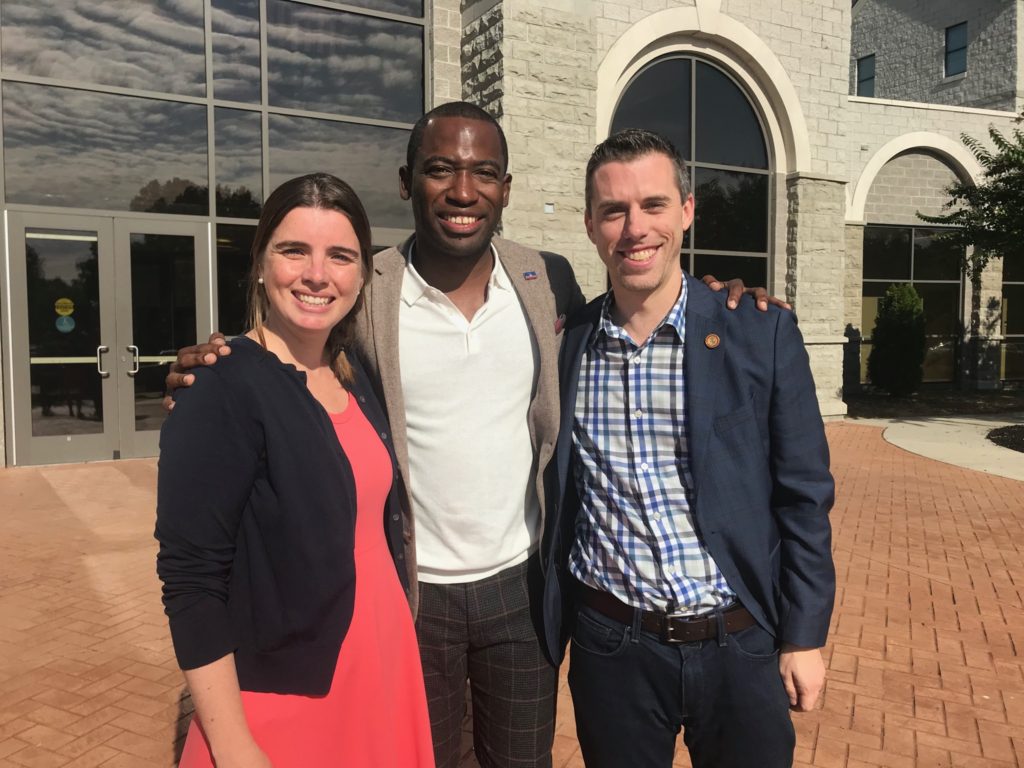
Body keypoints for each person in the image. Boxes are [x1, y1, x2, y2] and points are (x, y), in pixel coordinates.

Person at [165, 103, 778, 768]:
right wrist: (216, 361)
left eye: (484, 172)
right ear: (407, 183)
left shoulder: (546, 280)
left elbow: (641, 298)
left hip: (520, 590)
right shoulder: (366, 287)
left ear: (506, 189)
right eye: (440, 170)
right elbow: (295, 333)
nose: (463, 191)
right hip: (412, 596)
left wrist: (719, 293)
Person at [540, 129, 835, 768]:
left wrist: (804, 635)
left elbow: (804, 496)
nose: (634, 228)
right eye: (614, 211)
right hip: (612, 646)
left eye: (653, 205)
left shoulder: (760, 330)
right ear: (591, 225)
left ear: (687, 211)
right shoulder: (567, 346)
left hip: (739, 640)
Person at [155, 173, 434, 768]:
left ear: (361, 277)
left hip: (380, 671)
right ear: (259, 264)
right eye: (293, 251)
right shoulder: (221, 385)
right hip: (286, 696)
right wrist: (232, 746)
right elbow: (190, 580)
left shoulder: (352, 374)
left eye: (340, 255)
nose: (316, 274)